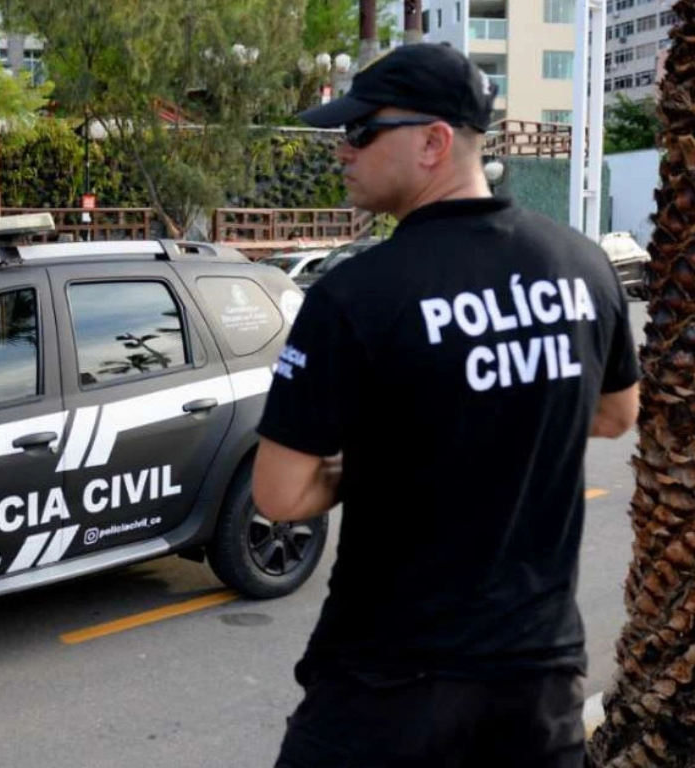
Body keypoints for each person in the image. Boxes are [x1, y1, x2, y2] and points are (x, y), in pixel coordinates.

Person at [252, 43, 640, 767]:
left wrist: (387, 452)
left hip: (386, 684)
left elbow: (280, 493)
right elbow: (618, 414)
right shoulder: (583, 265)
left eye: (362, 131)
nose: (343, 149)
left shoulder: (356, 294)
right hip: (538, 680)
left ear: (434, 141)